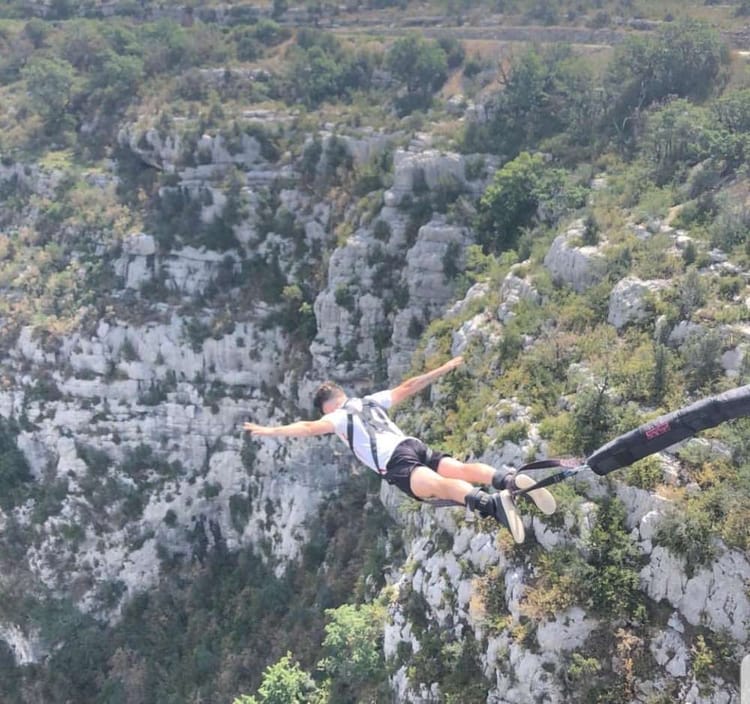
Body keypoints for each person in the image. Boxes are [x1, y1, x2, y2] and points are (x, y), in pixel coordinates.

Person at [243, 356, 556, 543]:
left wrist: (269, 430)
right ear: (343, 393)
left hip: (394, 460)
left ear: (326, 407)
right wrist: (443, 368)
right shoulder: (368, 401)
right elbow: (408, 386)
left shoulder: (336, 418)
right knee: (458, 467)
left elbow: (308, 428)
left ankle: (489, 503)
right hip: (412, 444)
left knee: (435, 486)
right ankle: (509, 480)